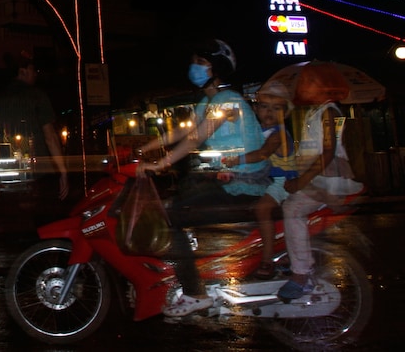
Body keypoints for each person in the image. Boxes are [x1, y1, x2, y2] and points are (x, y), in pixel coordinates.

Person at [135, 39, 267, 317]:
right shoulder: (210, 101)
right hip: (226, 180)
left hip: (243, 184)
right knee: (177, 200)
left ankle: (195, 292)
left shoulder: (228, 101)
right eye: (194, 61)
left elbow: (197, 137)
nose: (193, 67)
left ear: (216, 69)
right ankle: (194, 268)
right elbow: (183, 131)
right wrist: (143, 149)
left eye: (201, 63)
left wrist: (160, 163)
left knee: (173, 217)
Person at [276, 63, 357, 302]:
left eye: (310, 82)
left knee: (293, 209)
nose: (304, 87)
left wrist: (301, 180)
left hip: (328, 178)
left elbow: (328, 152)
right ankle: (294, 256)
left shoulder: (329, 112)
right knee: (285, 203)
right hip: (318, 173)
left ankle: (301, 274)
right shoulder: (317, 112)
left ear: (325, 86)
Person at [0, 51, 68, 220]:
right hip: (38, 175)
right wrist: (63, 171)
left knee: (13, 224)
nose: (35, 74)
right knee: (41, 223)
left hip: (6, 177)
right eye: (32, 70)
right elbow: (50, 137)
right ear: (23, 71)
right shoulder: (38, 97)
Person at [251, 80, 297, 280]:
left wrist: (234, 160)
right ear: (256, 108)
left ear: (285, 112)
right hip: (266, 180)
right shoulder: (257, 131)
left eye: (276, 108)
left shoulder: (278, 134)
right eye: (264, 107)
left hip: (283, 182)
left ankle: (267, 258)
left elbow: (263, 153)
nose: (269, 113)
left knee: (262, 209)